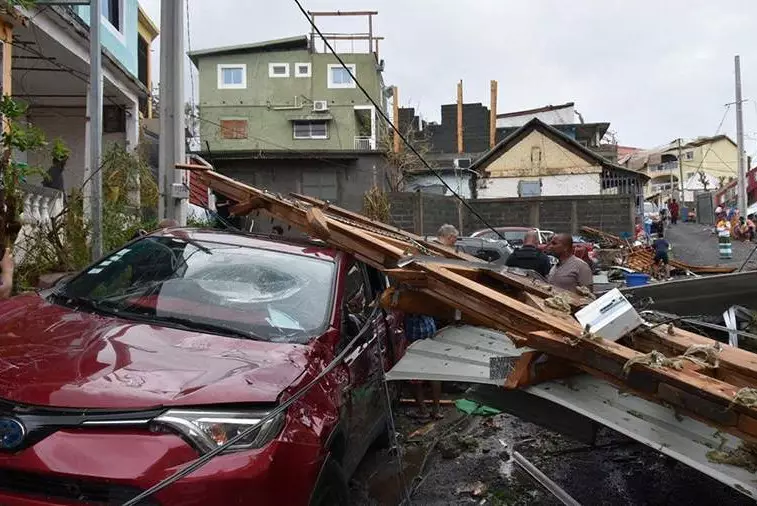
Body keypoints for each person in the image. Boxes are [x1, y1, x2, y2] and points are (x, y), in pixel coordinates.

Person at [404, 313, 443, 420]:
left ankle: (423, 411)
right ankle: (436, 410)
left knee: (414, 377)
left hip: (415, 334)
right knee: (434, 373)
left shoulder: (409, 297)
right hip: (429, 329)